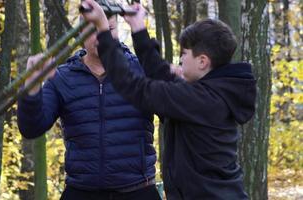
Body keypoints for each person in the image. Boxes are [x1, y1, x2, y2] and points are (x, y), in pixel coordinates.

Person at [81, 0, 257, 199]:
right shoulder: (208, 94)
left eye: (184, 53)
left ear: (202, 61)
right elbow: (160, 74)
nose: (180, 59)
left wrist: (104, 31)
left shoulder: (201, 100)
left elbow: (132, 86)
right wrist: (138, 28)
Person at [17, 15, 161, 200]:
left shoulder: (141, 70)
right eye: (93, 30)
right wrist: (32, 85)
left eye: (109, 29)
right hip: (81, 191)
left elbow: (173, 113)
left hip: (138, 190)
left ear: (117, 31)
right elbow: (31, 128)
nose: (101, 36)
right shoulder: (62, 77)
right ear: (80, 34)